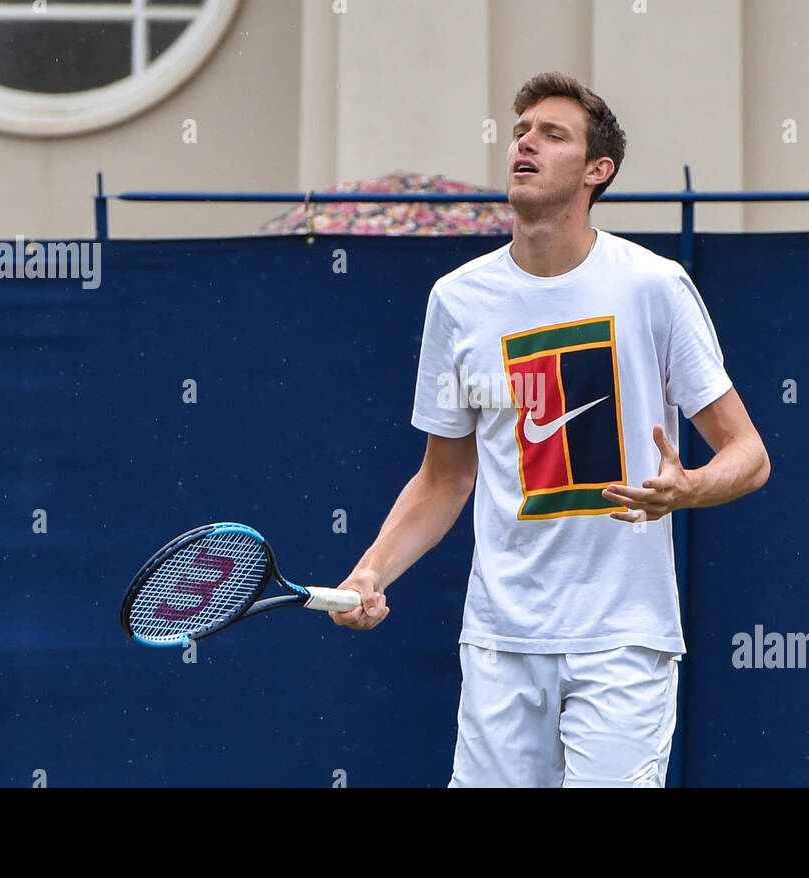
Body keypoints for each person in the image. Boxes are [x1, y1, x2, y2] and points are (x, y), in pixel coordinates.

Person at [329, 71, 770, 787]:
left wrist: (689, 488)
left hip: (623, 641)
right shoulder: (457, 301)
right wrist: (372, 570)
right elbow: (444, 478)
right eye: (520, 132)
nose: (524, 144)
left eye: (552, 134)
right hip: (500, 645)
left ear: (598, 171)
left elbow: (748, 453)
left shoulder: (653, 286)